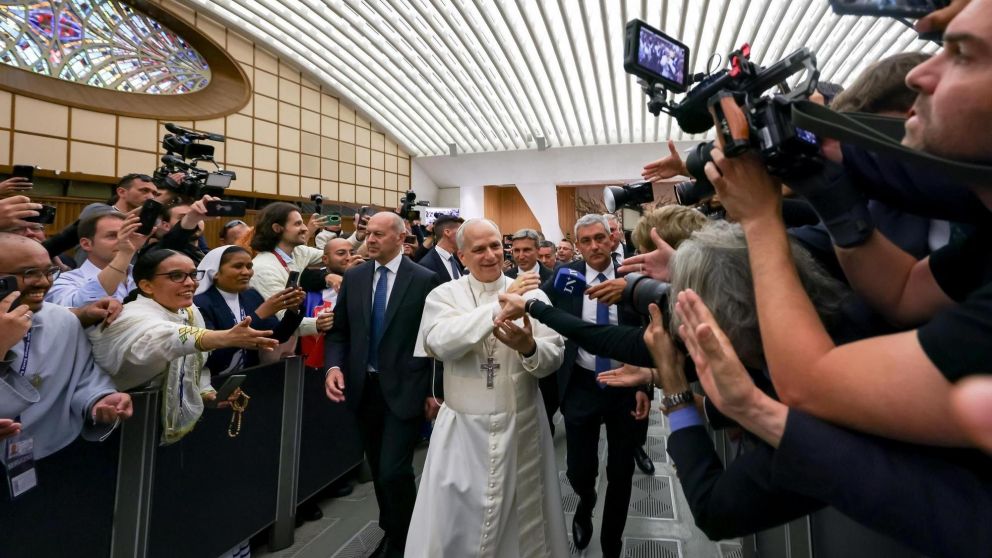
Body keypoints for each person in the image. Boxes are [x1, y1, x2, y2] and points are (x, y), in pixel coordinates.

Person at [404, 218, 568, 558]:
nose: (490, 255)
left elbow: (554, 357)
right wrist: (500, 307)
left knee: (523, 524)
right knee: (454, 520)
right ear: (462, 256)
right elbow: (440, 342)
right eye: (479, 249)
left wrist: (529, 348)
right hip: (462, 429)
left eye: (495, 246)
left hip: (521, 424)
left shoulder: (533, 294)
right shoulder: (443, 294)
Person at [323, 212, 441, 558]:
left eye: (378, 234)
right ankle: (393, 530)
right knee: (378, 469)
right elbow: (341, 331)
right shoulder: (356, 277)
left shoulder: (424, 279)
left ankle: (406, 541)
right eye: (367, 233)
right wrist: (333, 366)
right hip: (364, 389)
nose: (369, 240)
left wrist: (436, 390)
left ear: (400, 238)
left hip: (407, 388)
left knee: (394, 470)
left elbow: (434, 339)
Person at [88, 249, 278, 444]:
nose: (190, 283)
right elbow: (164, 338)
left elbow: (194, 362)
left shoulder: (188, 310)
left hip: (157, 423)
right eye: (176, 276)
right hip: (113, 424)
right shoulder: (132, 315)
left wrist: (205, 391)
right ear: (146, 285)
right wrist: (223, 337)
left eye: (193, 274)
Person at [542, 214, 648, 558]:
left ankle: (612, 541)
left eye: (599, 238)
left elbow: (653, 329)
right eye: (585, 241)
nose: (594, 246)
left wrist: (646, 383)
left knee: (621, 472)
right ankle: (585, 504)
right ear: (576, 245)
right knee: (579, 469)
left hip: (627, 387)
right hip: (582, 384)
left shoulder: (632, 276)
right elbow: (538, 306)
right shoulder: (564, 277)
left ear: (612, 238)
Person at [0, 233, 132, 460]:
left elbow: (84, 377)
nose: (44, 282)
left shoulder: (62, 320)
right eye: (29, 273)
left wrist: (100, 398)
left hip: (44, 455)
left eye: (49, 271)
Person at [194, 245, 306, 375]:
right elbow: (212, 357)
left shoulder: (251, 296)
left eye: (249, 266)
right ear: (215, 273)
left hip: (248, 377)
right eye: (238, 266)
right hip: (211, 382)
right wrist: (259, 314)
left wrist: (293, 311)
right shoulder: (200, 304)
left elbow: (276, 337)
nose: (246, 272)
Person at [250, 202, 331, 337]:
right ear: (277, 228)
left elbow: (334, 255)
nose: (306, 228)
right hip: (267, 343)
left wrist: (359, 237)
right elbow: (281, 318)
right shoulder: (264, 269)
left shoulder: (298, 252)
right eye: (298, 224)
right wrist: (317, 324)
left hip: (288, 340)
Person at [46, 212, 147, 307]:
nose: (123, 240)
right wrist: (124, 254)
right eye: (112, 236)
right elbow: (78, 310)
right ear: (86, 244)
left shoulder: (147, 276)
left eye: (127, 235)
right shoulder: (64, 281)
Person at [416, 214, 465, 284]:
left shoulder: (454, 261)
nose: (464, 236)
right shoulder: (426, 265)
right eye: (461, 232)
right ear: (447, 232)